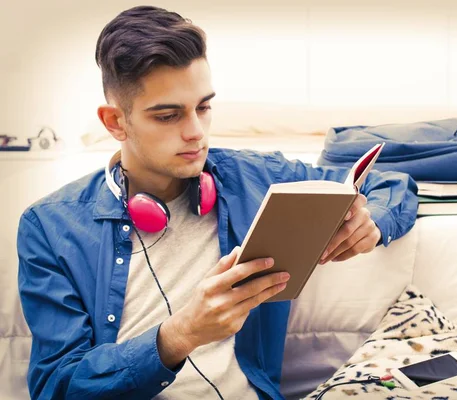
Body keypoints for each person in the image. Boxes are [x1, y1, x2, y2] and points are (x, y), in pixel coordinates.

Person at [17, 5, 418, 400]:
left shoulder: (255, 177)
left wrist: (373, 222)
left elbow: (390, 183)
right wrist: (179, 335)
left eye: (203, 107)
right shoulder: (49, 226)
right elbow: (56, 387)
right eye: (168, 116)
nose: (196, 133)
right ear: (115, 122)